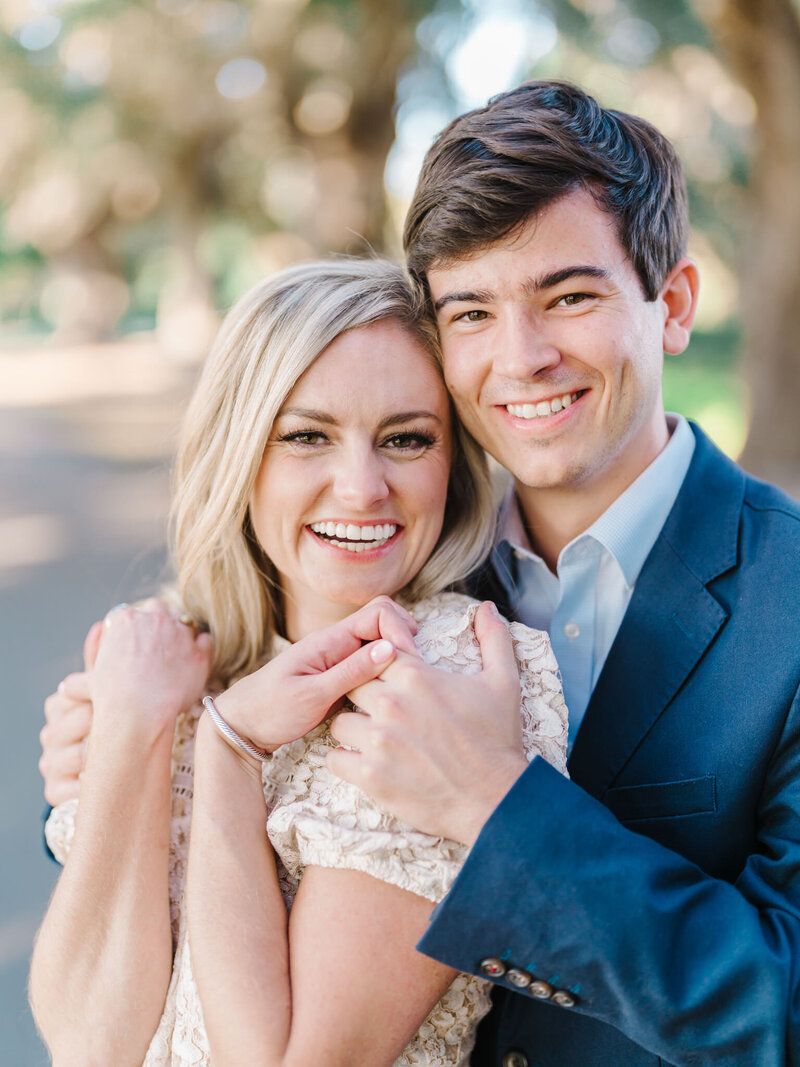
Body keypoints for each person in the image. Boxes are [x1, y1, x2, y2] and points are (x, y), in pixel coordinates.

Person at [39, 81, 800, 1064]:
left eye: (567, 295)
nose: (520, 357)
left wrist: (496, 805)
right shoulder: (390, 564)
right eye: (471, 311)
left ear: (673, 303)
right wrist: (123, 766)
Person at [30, 258, 569, 1066]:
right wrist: (130, 733)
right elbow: (86, 1040)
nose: (361, 487)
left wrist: (228, 746)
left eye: (406, 438)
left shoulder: (447, 680)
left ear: (451, 466)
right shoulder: (175, 655)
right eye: (307, 435)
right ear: (239, 451)